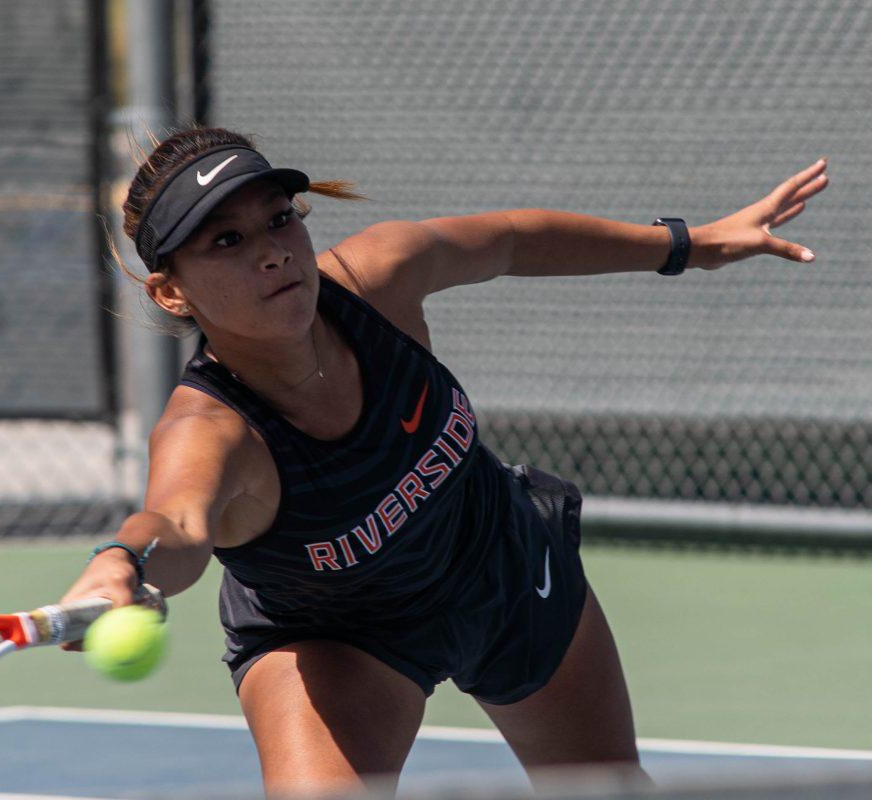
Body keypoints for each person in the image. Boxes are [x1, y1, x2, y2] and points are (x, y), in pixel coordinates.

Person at [59, 127, 828, 797]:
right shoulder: (210, 430)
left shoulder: (375, 279)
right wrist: (127, 562)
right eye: (226, 241)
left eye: (278, 219)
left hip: (500, 566)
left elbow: (510, 239)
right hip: (342, 638)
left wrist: (686, 245)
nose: (270, 253)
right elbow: (178, 522)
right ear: (170, 292)